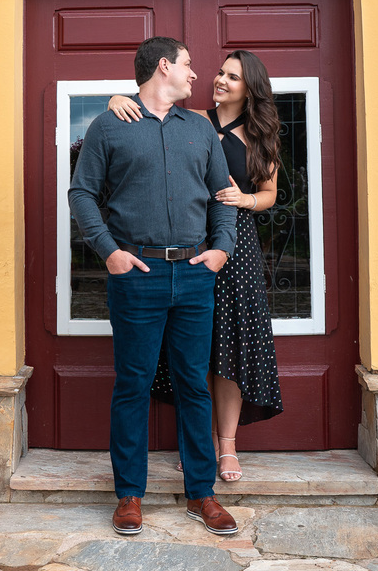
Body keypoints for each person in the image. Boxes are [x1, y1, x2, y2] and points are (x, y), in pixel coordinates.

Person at [68, 36, 240, 537]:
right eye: (188, 65)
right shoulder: (109, 126)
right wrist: (109, 252)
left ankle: (201, 494)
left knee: (193, 385)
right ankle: (129, 496)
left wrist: (222, 249)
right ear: (163, 66)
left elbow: (223, 194)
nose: (195, 74)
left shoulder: (200, 129)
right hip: (136, 275)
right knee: (133, 384)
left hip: (194, 274)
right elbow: (82, 193)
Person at [109, 49, 284, 483]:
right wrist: (116, 98)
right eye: (221, 73)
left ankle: (228, 447)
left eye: (233, 77)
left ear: (250, 88)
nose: (220, 80)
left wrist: (246, 199)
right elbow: (150, 105)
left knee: (232, 346)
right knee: (194, 353)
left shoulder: (262, 136)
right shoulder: (195, 121)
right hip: (189, 242)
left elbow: (269, 193)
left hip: (235, 247)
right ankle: (198, 445)